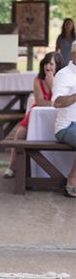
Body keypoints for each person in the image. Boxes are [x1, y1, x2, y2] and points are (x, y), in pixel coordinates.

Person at [4, 52, 58, 178]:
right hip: (35, 114)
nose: (48, 66)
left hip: (55, 117)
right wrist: (54, 102)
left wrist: (53, 86)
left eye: (51, 63)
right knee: (20, 134)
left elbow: (60, 100)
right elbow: (39, 102)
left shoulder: (61, 80)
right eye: (46, 63)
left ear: (57, 66)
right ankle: (11, 166)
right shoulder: (38, 80)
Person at [51, 54, 76, 197]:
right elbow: (57, 102)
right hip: (67, 126)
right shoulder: (64, 74)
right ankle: (72, 179)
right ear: (73, 54)